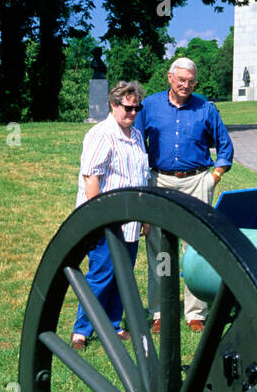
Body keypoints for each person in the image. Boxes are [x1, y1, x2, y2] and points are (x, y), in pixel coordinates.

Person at [139, 57, 233, 332]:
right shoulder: (150, 106)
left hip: (196, 182)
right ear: (170, 78)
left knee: (196, 249)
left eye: (191, 82)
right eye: (181, 80)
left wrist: (213, 177)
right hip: (159, 181)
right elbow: (136, 142)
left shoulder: (206, 107)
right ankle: (159, 313)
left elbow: (225, 147)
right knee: (158, 248)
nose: (186, 85)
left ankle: (196, 313)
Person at [70, 80, 151, 350]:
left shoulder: (136, 135)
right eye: (127, 108)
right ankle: (81, 331)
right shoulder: (101, 134)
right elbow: (91, 177)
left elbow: (143, 176)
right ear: (114, 105)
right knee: (102, 274)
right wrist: (97, 216)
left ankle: (114, 324)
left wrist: (146, 217)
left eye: (136, 108)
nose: (132, 113)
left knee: (123, 274)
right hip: (106, 218)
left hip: (131, 219)